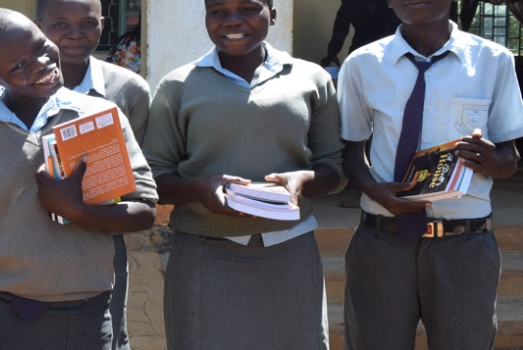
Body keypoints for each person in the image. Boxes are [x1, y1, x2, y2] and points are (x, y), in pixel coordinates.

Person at [0, 8, 158, 350]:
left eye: (41, 47)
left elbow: (144, 211)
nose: (41, 63)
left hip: (84, 311)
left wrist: (77, 209)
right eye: (18, 65)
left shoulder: (100, 118)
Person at [143, 0, 346, 349]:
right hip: (206, 255)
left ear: (274, 12)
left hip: (291, 252)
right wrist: (200, 188)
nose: (232, 21)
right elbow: (155, 180)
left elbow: (336, 171)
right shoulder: (177, 86)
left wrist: (303, 181)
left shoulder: (311, 79)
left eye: (249, 8)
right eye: (218, 11)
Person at [338, 0, 523, 347]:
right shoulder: (362, 64)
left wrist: (489, 160)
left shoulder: (492, 61)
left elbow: (508, 157)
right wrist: (374, 189)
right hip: (382, 242)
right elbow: (350, 152)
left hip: (464, 245)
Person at [33, 1, 153, 348]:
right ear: (37, 26)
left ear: (102, 24)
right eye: (60, 24)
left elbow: (139, 174)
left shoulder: (128, 90)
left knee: (106, 335)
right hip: (25, 242)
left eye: (87, 23)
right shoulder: (10, 86)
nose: (74, 33)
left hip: (102, 240)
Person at [320, 0, 401, 67]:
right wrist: (330, 57)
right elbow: (338, 37)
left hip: (389, 54)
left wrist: (330, 57)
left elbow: (338, 38)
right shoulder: (350, 5)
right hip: (367, 55)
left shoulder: (349, 5)